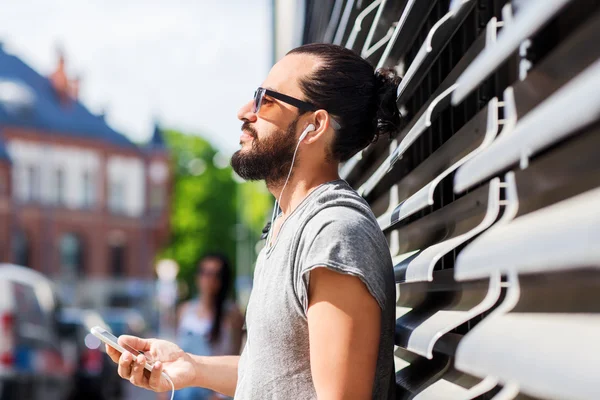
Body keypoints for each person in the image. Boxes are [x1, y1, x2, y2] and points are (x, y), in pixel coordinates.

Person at [106, 43, 400, 399]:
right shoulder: (289, 225)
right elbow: (276, 375)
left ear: (314, 126)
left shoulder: (335, 232)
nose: (245, 111)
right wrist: (193, 367)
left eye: (266, 100)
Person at [175, 253, 244, 400]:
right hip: (183, 389)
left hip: (213, 390)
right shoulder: (185, 310)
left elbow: (234, 358)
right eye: (204, 272)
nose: (209, 279)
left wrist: (220, 395)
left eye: (216, 274)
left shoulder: (232, 314)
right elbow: (178, 349)